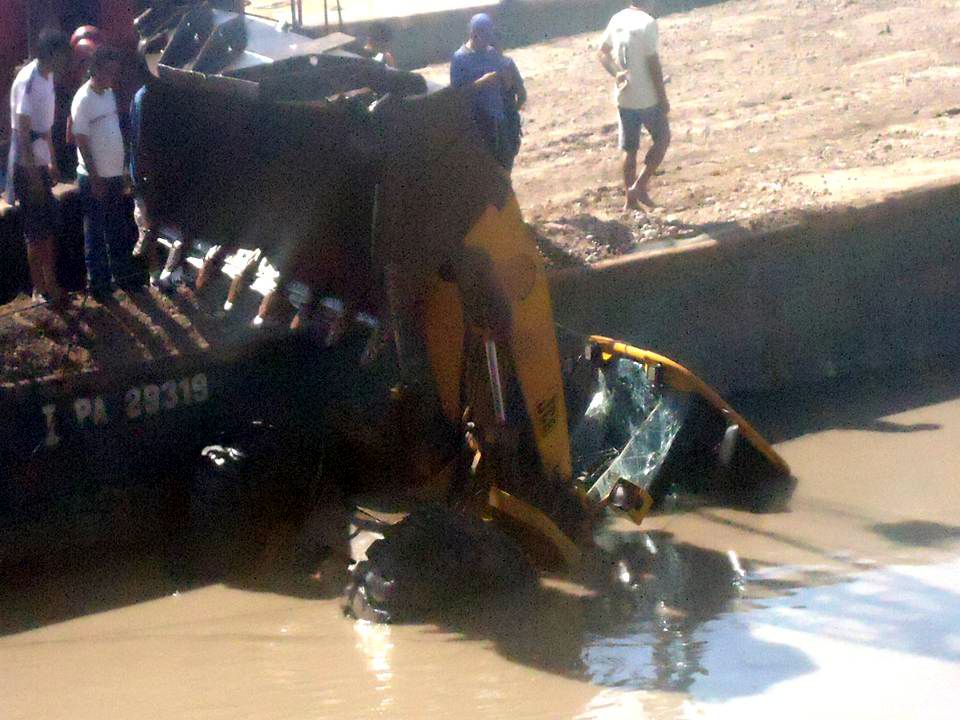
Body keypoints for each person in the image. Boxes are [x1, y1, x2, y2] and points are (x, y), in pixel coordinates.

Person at [5, 29, 73, 304]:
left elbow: (45, 127)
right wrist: (33, 172)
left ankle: (52, 283)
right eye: (64, 54)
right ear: (52, 54)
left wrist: (52, 161)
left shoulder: (48, 77)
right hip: (26, 163)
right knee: (36, 230)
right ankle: (39, 289)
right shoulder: (29, 81)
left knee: (49, 226)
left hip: (40, 157)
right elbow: (22, 131)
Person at [71, 45, 132, 301]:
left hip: (114, 175)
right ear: (96, 70)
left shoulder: (108, 94)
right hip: (94, 177)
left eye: (114, 72)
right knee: (95, 232)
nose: (112, 77)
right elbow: (80, 139)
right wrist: (94, 176)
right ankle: (98, 283)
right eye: (108, 71)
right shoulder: (83, 98)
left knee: (116, 228)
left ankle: (121, 277)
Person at [597, 0, 671, 209]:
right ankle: (640, 185)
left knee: (629, 149)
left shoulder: (618, 18)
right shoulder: (647, 23)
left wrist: (616, 73)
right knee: (662, 138)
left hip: (625, 96)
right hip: (647, 97)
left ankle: (630, 201)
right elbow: (653, 64)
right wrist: (663, 97)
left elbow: (602, 52)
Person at [450, 13, 516, 170]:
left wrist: (506, 75)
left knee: (505, 161)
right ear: (474, 34)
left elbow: (506, 85)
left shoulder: (491, 53)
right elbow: (457, 94)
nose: (488, 40)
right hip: (477, 123)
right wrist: (482, 82)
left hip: (498, 118)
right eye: (485, 36)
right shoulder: (460, 58)